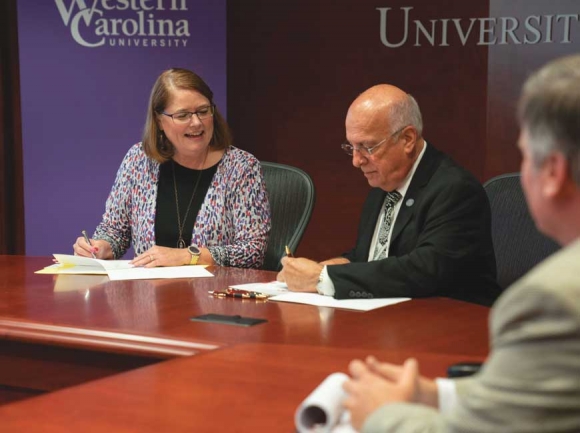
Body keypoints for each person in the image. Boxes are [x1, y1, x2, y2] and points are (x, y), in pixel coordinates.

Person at [342, 55, 580, 432]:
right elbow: (532, 401)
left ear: (554, 173)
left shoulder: (553, 302)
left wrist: (379, 414)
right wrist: (437, 394)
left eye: (525, 154)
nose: (357, 161)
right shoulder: (383, 184)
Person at [278, 84, 500, 306]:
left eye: (368, 147)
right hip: (392, 321)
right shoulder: (384, 183)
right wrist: (332, 265)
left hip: (455, 324)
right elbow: (373, 258)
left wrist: (321, 278)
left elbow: (425, 270)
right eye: (352, 147)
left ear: (407, 139)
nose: (356, 161)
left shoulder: (455, 190)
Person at [73, 68, 270, 268]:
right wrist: (100, 247)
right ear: (159, 120)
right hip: (148, 294)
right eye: (183, 115)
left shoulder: (241, 168)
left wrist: (189, 256)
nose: (196, 123)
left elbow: (253, 251)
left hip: (213, 294)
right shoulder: (139, 160)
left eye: (203, 111)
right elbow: (116, 231)